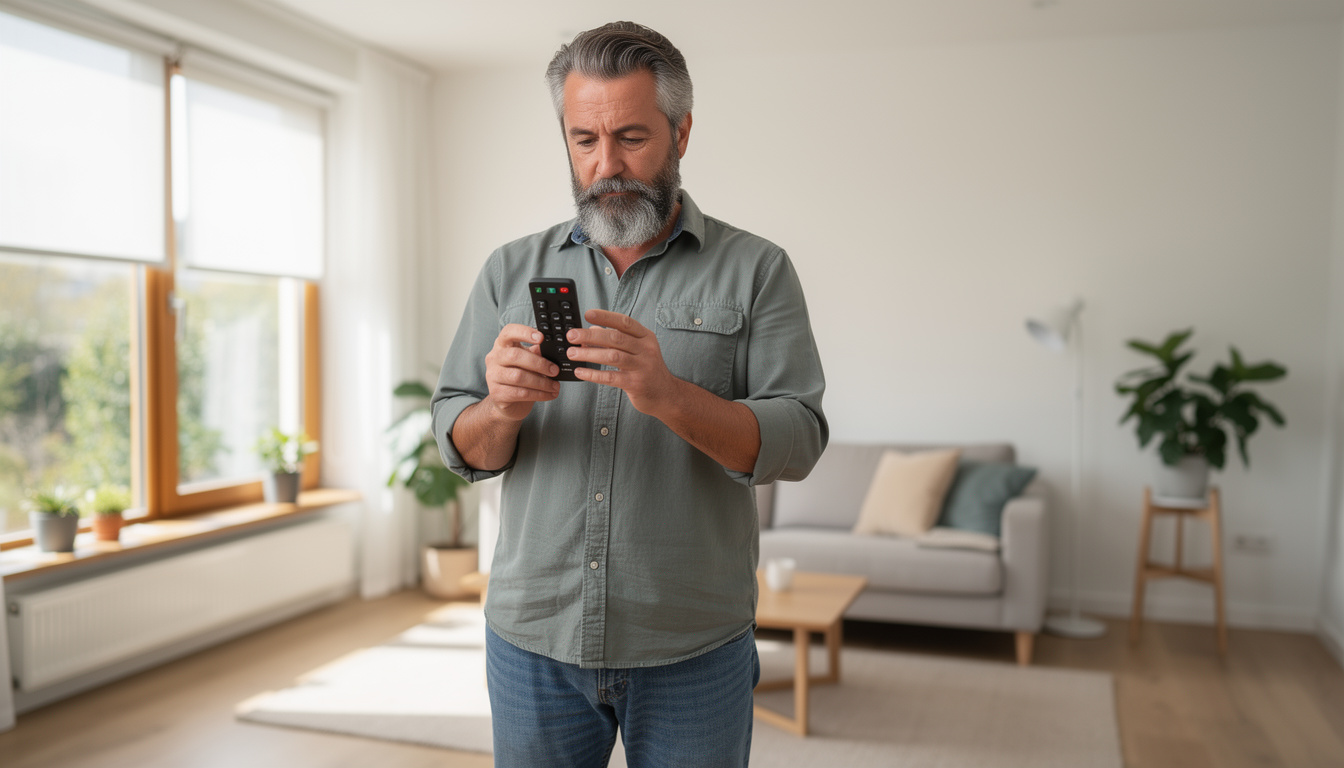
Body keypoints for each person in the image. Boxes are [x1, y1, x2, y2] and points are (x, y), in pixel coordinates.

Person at [431, 21, 827, 767]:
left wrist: (670, 394)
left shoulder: (759, 270)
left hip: (692, 645)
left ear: (682, 133)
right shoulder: (508, 269)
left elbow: (799, 440)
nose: (606, 165)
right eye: (584, 141)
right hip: (532, 638)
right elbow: (459, 441)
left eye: (632, 138)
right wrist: (501, 410)